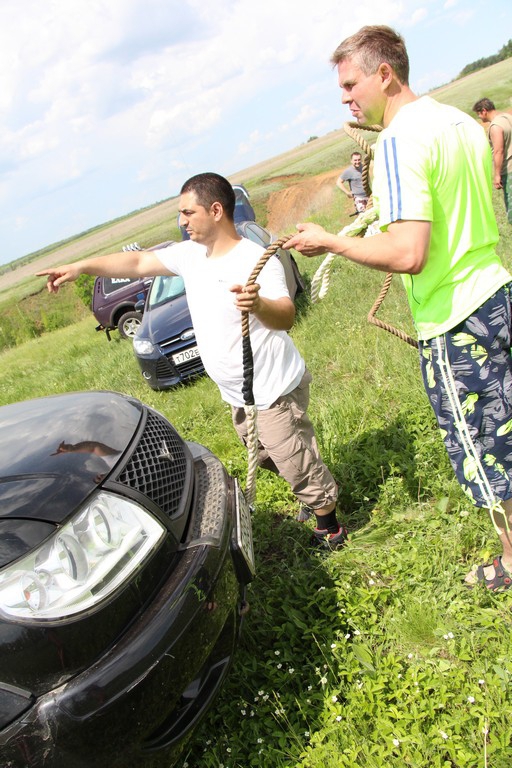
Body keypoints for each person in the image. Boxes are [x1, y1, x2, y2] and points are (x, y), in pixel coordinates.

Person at [283, 25, 512, 590]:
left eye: (350, 82)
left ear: (385, 75)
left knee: (487, 452)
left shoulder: (397, 142)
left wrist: (332, 242)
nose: (345, 97)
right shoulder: (459, 120)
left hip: (454, 318)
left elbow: (410, 252)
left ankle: (511, 562)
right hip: (497, 292)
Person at [38, 172, 346, 548]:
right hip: (238, 394)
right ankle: (311, 489)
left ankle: (329, 524)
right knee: (266, 456)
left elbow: (285, 316)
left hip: (273, 390)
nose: (181, 221)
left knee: (293, 460)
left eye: (188, 212)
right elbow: (136, 264)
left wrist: (258, 305)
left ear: (216, 210)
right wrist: (81, 267)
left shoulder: (252, 259)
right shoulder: (190, 256)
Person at [472, 97, 512, 224]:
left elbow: (499, 151)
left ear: (484, 111)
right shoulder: (507, 117)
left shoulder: (495, 126)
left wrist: (497, 175)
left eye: (479, 114)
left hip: (509, 170)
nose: (480, 118)